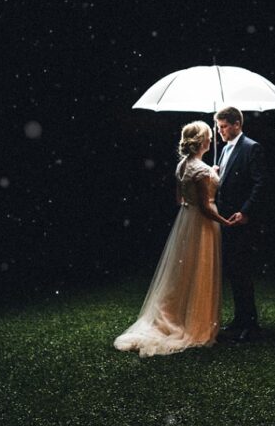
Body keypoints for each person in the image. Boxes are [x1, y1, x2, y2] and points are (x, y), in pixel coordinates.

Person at [114, 121, 233, 357]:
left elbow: (180, 199)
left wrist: (211, 175)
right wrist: (225, 221)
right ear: (201, 141)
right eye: (209, 137)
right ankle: (195, 322)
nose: (211, 140)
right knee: (199, 270)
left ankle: (179, 314)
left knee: (184, 271)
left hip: (185, 221)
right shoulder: (199, 169)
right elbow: (205, 207)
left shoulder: (183, 165)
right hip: (201, 224)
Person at [213, 106, 266, 343]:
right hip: (225, 220)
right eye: (218, 127)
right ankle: (239, 318)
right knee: (233, 271)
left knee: (242, 271)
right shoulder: (224, 149)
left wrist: (245, 212)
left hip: (241, 221)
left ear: (237, 124)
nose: (220, 131)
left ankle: (250, 324)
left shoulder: (251, 148)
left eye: (223, 127)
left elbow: (260, 184)